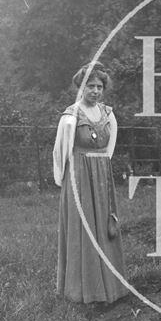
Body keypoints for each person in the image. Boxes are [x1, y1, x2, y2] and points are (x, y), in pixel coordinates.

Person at [53, 62, 128, 304]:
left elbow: (111, 143)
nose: (95, 91)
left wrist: (103, 165)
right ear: (81, 88)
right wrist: (66, 179)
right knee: (84, 227)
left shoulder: (107, 113)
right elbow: (61, 150)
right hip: (79, 174)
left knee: (105, 226)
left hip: (101, 173)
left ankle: (110, 286)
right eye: (90, 86)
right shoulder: (71, 115)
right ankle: (83, 289)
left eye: (99, 86)